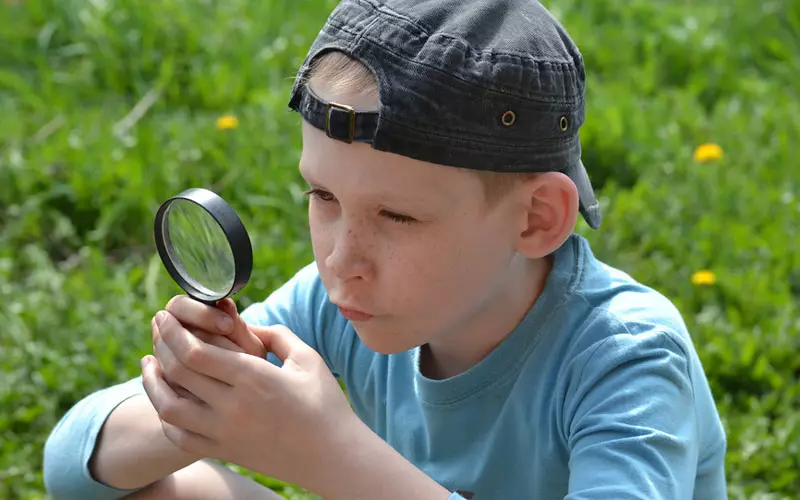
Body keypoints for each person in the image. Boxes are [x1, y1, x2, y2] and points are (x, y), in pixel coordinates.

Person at [42, 0, 729, 498]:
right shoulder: (336, 301)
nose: (343, 260)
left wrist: (330, 455)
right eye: (323, 198)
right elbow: (73, 463)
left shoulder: (626, 354)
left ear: (536, 218)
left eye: (397, 215)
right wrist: (192, 412)